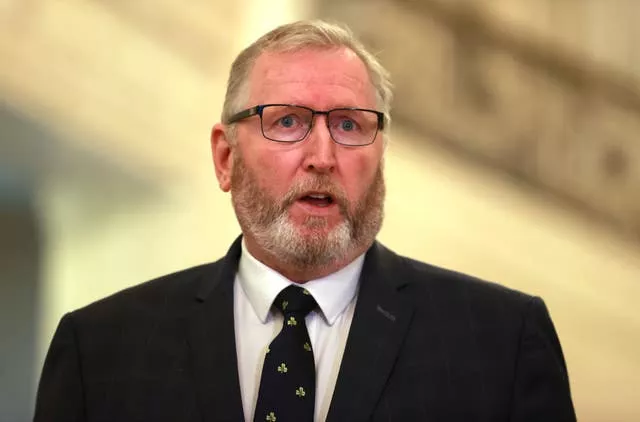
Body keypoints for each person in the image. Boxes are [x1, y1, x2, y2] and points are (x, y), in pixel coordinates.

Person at [34, 20, 576, 422]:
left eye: (348, 124)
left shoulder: (501, 343)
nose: (322, 154)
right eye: (287, 121)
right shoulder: (101, 350)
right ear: (226, 159)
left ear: (381, 156)